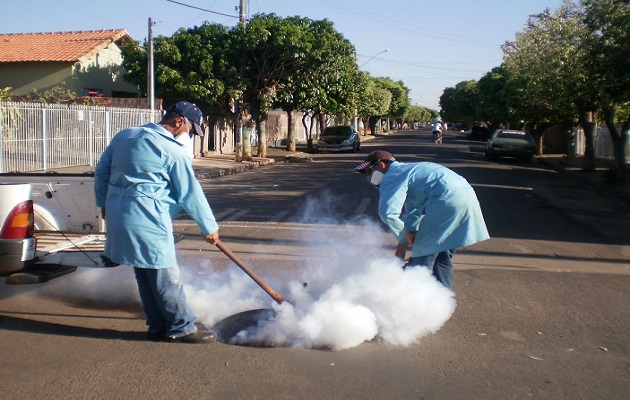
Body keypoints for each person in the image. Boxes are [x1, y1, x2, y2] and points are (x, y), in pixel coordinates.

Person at [95, 101, 220, 344]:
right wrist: (209, 228)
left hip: (120, 215)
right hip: (148, 218)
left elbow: (102, 173)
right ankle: (182, 327)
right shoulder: (172, 151)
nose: (190, 136)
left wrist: (104, 205)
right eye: (191, 130)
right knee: (164, 275)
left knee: (144, 273)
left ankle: (156, 326)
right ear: (178, 122)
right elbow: (190, 193)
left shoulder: (125, 136)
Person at [355, 150, 489, 289]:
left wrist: (405, 235)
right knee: (442, 257)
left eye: (369, 171)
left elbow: (388, 213)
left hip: (445, 203)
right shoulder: (408, 170)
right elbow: (413, 213)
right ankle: (441, 302)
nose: (369, 177)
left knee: (421, 258)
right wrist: (403, 244)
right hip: (466, 199)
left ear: (381, 165)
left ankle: (411, 303)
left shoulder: (392, 175)